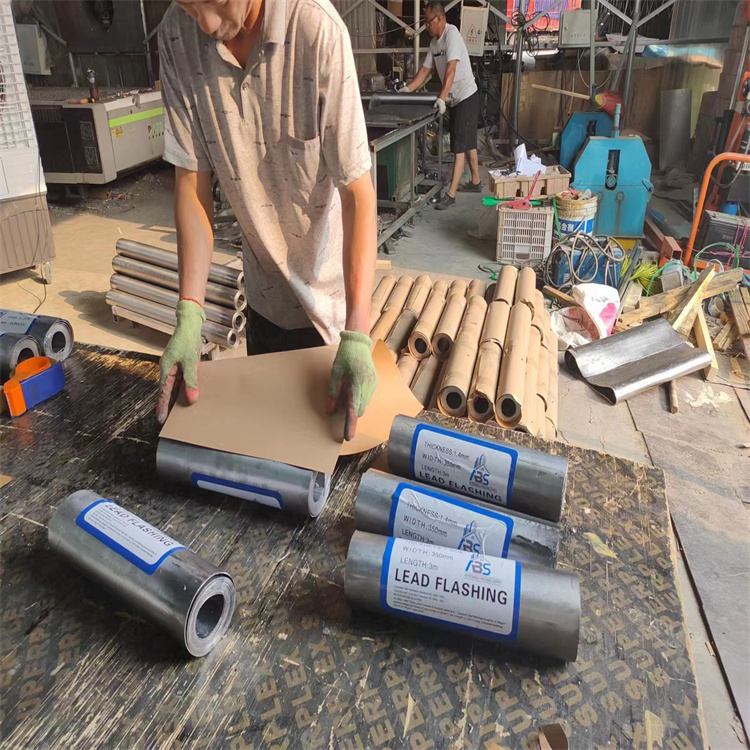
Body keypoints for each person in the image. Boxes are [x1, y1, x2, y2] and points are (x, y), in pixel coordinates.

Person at [155, 0, 378, 441]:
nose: (207, 24)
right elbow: (192, 186)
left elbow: (357, 197)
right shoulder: (177, 35)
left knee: (329, 454)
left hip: (333, 315)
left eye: (217, 2)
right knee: (273, 448)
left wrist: (357, 332)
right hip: (263, 300)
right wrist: (190, 312)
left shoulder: (316, 30)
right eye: (190, 6)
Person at [401, 1, 481, 209]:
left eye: (428, 21)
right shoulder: (434, 44)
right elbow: (425, 71)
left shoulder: (451, 34)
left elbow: (451, 70)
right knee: (468, 141)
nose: (426, 26)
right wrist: (407, 90)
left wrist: (442, 98)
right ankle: (476, 181)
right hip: (455, 98)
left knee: (459, 147)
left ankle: (451, 194)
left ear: (440, 18)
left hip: (466, 96)